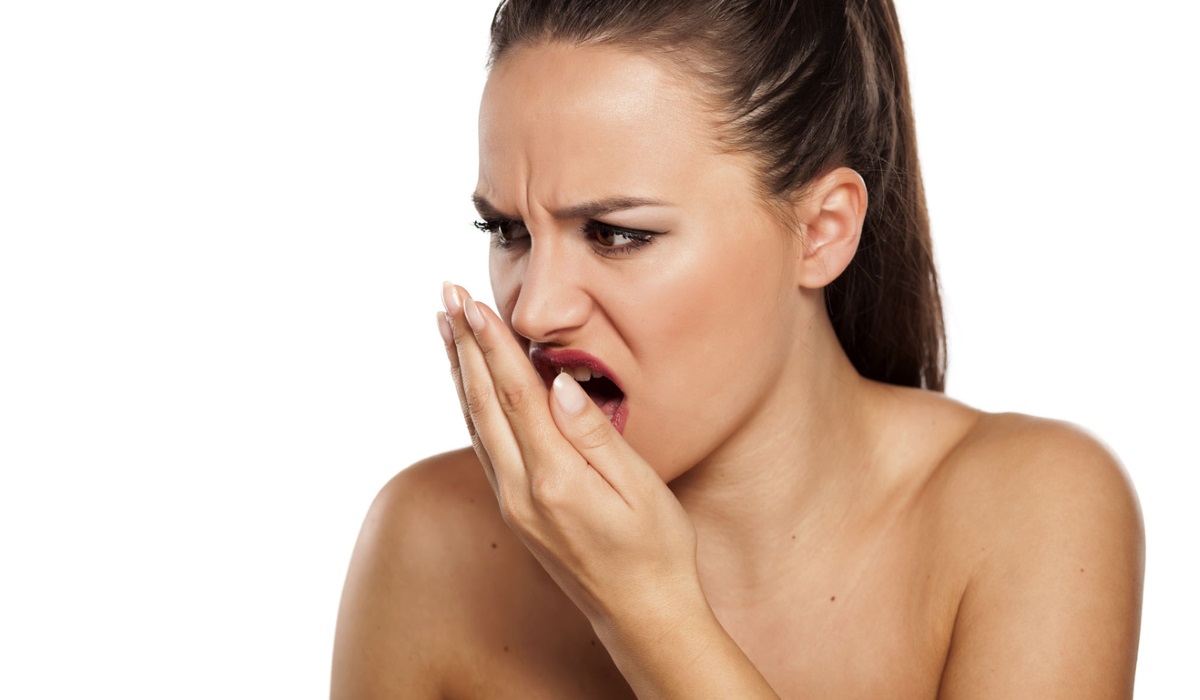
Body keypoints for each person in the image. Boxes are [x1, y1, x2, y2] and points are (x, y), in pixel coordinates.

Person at [331, 0, 1145, 696]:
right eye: (508, 230)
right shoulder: (427, 542)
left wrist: (646, 608)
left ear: (821, 231)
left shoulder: (1030, 511)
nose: (535, 310)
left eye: (615, 233)